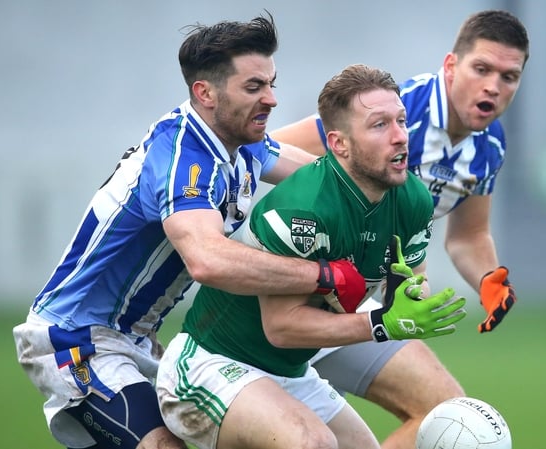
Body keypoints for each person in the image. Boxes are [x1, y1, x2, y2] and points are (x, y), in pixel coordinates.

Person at [12, 13, 367, 449]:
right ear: (205, 93)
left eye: (272, 84)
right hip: (78, 338)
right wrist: (324, 275)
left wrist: (391, 188)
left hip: (143, 340)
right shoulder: (183, 158)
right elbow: (208, 260)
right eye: (254, 87)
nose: (272, 99)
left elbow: (326, 182)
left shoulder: (243, 143)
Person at [156, 63, 467, 449]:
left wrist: (412, 300)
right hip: (211, 364)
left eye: (401, 121)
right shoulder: (305, 208)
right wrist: (381, 323)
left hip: (289, 371)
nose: (400, 136)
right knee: (313, 443)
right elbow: (282, 328)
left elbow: (410, 286)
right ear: (339, 144)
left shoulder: (412, 199)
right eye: (379, 125)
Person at [271, 9, 529, 449]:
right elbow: (268, 151)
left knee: (445, 407)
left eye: (509, 77)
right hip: (291, 302)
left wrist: (490, 282)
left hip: (360, 306)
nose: (493, 86)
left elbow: (468, 237)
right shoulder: (393, 110)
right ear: (451, 66)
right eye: (482, 69)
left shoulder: (490, 145)